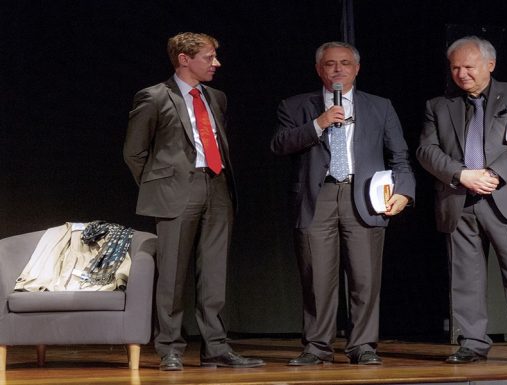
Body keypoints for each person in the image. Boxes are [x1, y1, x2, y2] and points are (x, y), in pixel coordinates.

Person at [123, 32, 264, 371]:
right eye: (209, 57)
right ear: (184, 59)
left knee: (214, 272)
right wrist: (160, 186)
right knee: (171, 273)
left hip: (216, 186)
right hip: (176, 191)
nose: (217, 63)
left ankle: (216, 347)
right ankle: (170, 347)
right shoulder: (154, 97)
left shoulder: (217, 97)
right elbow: (134, 152)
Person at [271, 41, 416, 366]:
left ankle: (363, 345)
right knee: (317, 278)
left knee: (365, 277)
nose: (338, 69)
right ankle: (316, 347)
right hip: (317, 196)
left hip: (363, 195)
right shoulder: (295, 106)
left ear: (357, 68)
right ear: (319, 69)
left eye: (345, 63)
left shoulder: (380, 106)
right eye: (331, 64)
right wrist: (318, 124)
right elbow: (279, 144)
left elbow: (400, 155)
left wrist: (404, 192)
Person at [416, 36, 507, 363]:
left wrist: (493, 174)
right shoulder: (438, 105)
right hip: (459, 197)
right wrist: (461, 174)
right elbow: (426, 150)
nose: (461, 74)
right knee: (465, 275)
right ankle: (472, 342)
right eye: (455, 68)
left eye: (469, 67)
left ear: (490, 65)